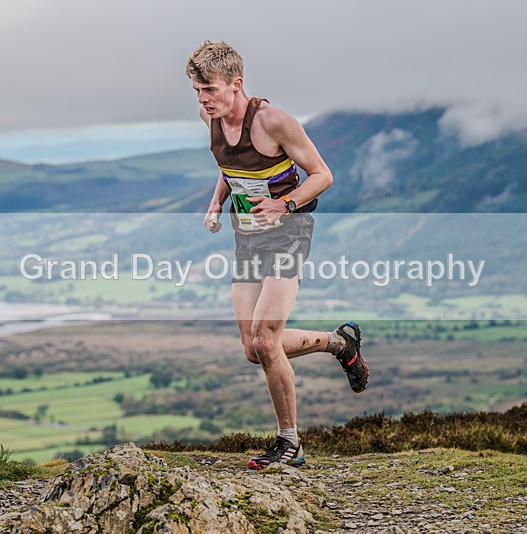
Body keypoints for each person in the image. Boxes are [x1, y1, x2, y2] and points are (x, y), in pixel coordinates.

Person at [185, 41, 369, 470]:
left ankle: (290, 445)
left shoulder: (274, 122)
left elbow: (323, 174)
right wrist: (216, 201)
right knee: (254, 348)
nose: (202, 99)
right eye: (196, 90)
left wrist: (285, 205)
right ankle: (339, 343)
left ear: (237, 84)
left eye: (209, 89)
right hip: (246, 237)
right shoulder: (208, 117)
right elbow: (229, 166)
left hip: (289, 233)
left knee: (266, 339)